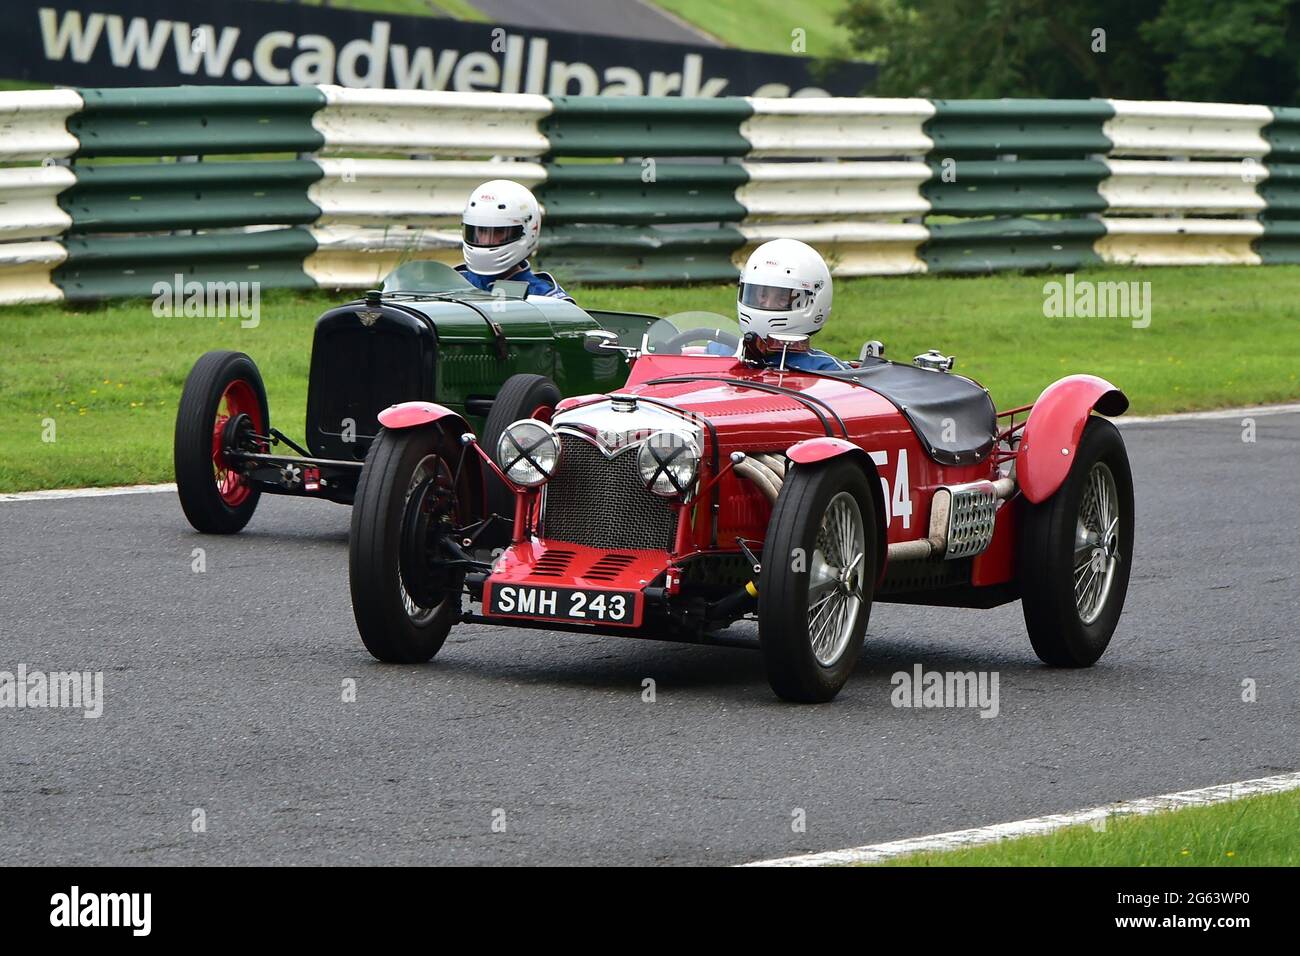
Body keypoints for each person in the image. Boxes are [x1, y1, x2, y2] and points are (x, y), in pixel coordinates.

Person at [736, 238, 846, 372]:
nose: (768, 304)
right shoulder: (722, 351)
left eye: (782, 298)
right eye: (762, 296)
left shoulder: (825, 369)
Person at [456, 179, 573, 302]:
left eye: (499, 232)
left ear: (528, 232)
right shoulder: (454, 281)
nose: (485, 240)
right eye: (481, 231)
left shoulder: (544, 296)